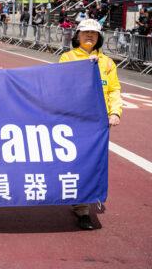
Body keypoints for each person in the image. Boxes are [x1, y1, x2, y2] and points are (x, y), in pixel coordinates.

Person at [59, 19, 122, 230]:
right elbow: (59, 86)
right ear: (77, 36)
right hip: (74, 119)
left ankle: (82, 207)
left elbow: (114, 90)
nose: (89, 37)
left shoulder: (107, 63)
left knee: (92, 163)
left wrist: (115, 112)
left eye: (93, 34)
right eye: (85, 33)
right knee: (74, 162)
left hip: (98, 122)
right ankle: (78, 203)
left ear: (99, 38)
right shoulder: (66, 58)